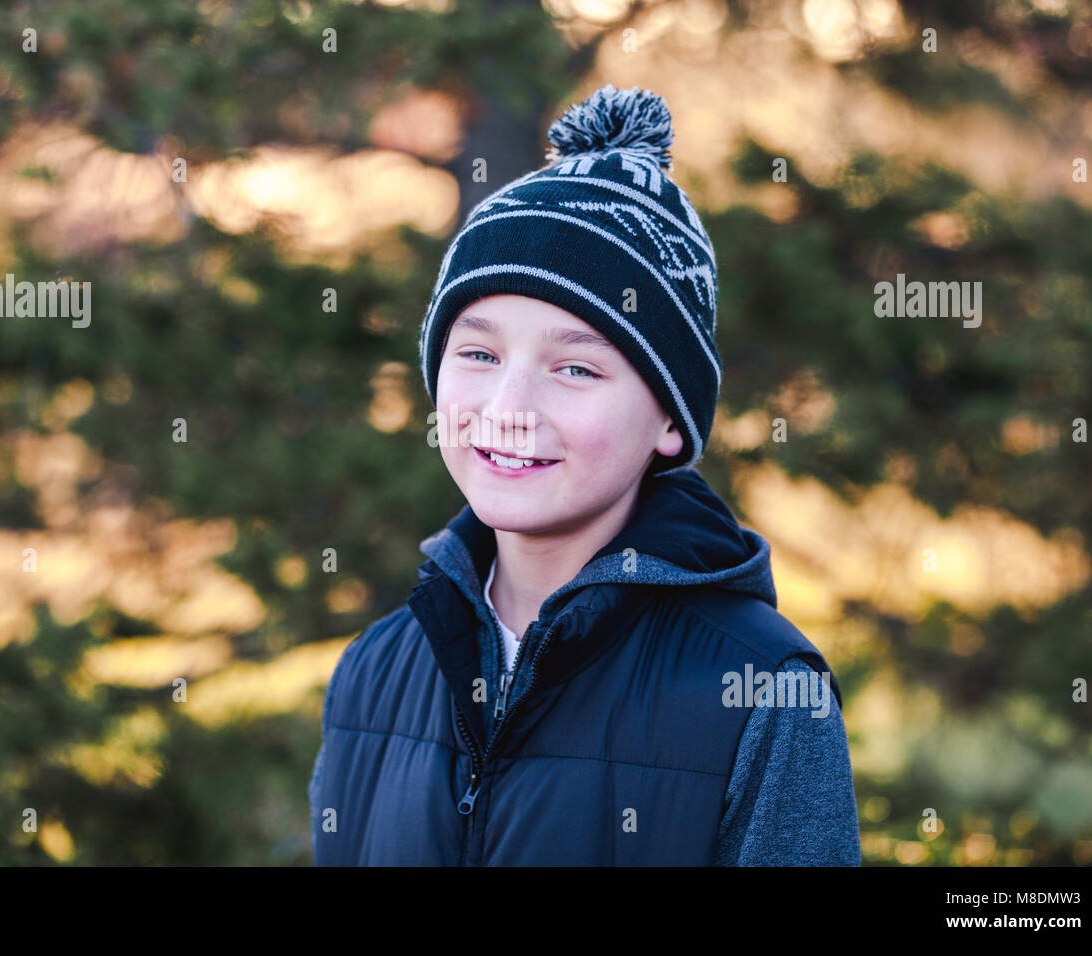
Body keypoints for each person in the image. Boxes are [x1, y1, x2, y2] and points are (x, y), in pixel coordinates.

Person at [309, 84, 861, 865]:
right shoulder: (373, 671)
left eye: (574, 367)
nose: (509, 406)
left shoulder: (766, 692)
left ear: (670, 421)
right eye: (478, 353)